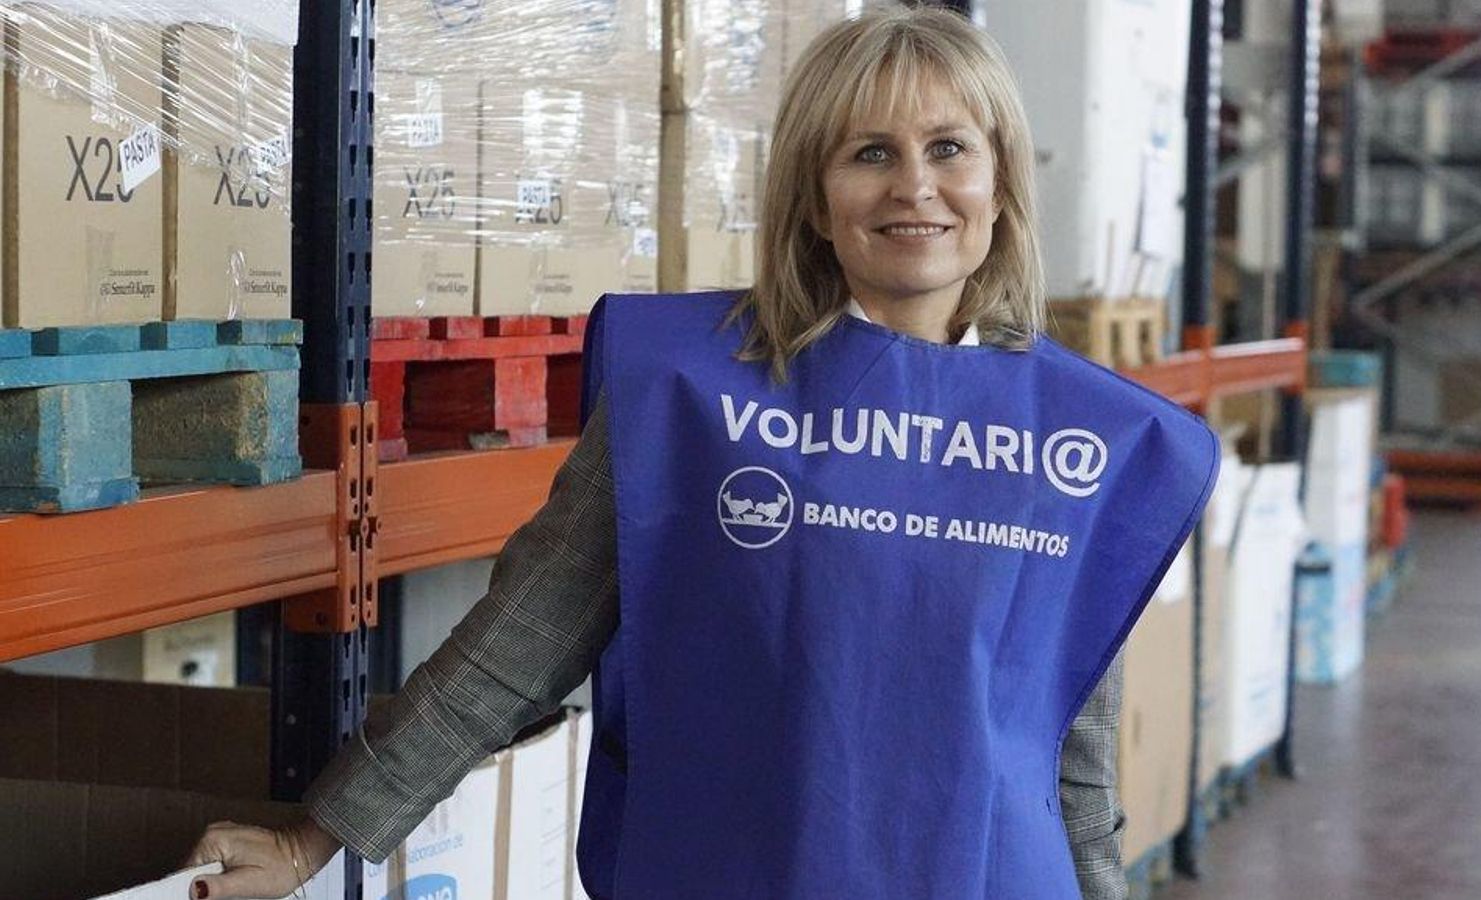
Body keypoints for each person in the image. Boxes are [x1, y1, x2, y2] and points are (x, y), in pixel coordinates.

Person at [187, 8, 1216, 900]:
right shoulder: (695, 399)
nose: (915, 186)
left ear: (1001, 185)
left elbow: (1072, 759)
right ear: (814, 200)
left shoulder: (1077, 443)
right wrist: (315, 839)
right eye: (869, 154)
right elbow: (518, 647)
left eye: (949, 148)